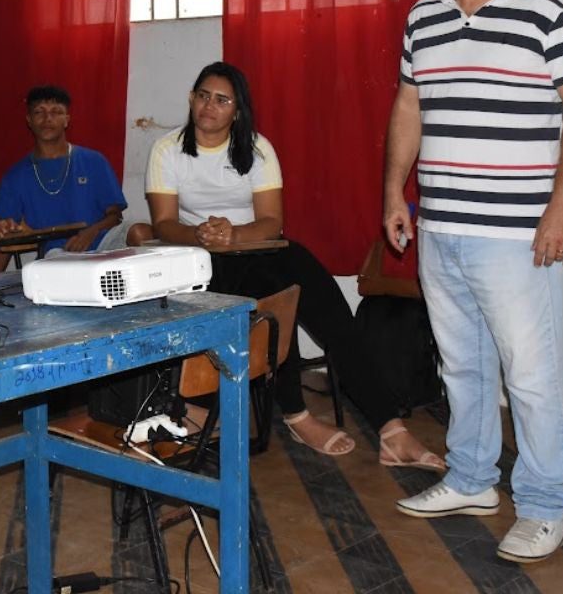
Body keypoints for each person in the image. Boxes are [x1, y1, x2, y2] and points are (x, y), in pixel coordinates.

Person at [384, 0, 563, 563]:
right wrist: (396, 190)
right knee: (462, 367)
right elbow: (409, 107)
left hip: (517, 233)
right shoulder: (424, 16)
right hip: (442, 226)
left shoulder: (554, 10)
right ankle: (472, 479)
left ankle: (544, 506)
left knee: (531, 375)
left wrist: (562, 207)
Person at [143, 62, 444, 465]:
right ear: (190, 99)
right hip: (199, 260)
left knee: (329, 306)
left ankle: (391, 428)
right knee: (273, 303)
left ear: (237, 109)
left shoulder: (256, 147)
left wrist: (233, 233)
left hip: (255, 244)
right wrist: (201, 235)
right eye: (202, 96)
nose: (208, 107)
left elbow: (272, 222)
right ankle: (297, 415)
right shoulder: (168, 150)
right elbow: (164, 224)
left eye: (221, 100)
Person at [0, 86, 127, 271]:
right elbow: (5, 235)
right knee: (59, 265)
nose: (47, 119)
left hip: (103, 243)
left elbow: (115, 216)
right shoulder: (16, 175)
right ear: (29, 120)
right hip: (58, 253)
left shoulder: (94, 160)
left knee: (140, 230)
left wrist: (90, 233)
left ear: (66, 120)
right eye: (39, 112)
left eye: (56, 112)